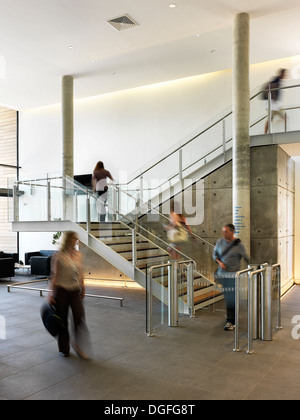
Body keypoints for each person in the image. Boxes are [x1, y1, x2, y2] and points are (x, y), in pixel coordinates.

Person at [48, 231, 89, 358]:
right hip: (61, 291)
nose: (76, 241)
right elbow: (54, 275)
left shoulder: (78, 255)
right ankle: (64, 348)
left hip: (74, 290)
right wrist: (50, 294)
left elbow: (81, 272)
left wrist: (83, 286)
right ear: (68, 240)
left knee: (79, 317)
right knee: (62, 320)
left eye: (76, 239)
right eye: (74, 239)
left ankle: (78, 346)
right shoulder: (58, 256)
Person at [213, 223, 249, 331]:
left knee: (230, 297)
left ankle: (230, 321)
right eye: (223, 231)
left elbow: (246, 257)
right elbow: (214, 254)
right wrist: (219, 262)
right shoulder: (220, 242)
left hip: (233, 276)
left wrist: (253, 268)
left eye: (226, 231)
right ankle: (233, 316)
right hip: (222, 275)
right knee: (228, 297)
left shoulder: (238, 244)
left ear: (232, 232)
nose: (224, 233)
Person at [264, 68, 287, 134]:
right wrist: (274, 98)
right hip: (272, 103)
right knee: (271, 118)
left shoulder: (278, 80)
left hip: (274, 103)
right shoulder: (276, 80)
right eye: (284, 74)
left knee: (280, 116)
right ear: (282, 74)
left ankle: (266, 132)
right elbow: (271, 87)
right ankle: (265, 133)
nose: (285, 76)